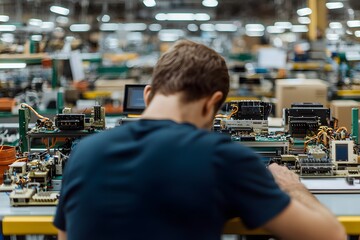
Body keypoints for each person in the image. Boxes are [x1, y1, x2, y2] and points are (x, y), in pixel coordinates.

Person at [54, 40, 346, 240]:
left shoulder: (85, 152)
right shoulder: (222, 158)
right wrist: (292, 186)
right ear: (213, 103)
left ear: (147, 94)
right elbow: (332, 235)